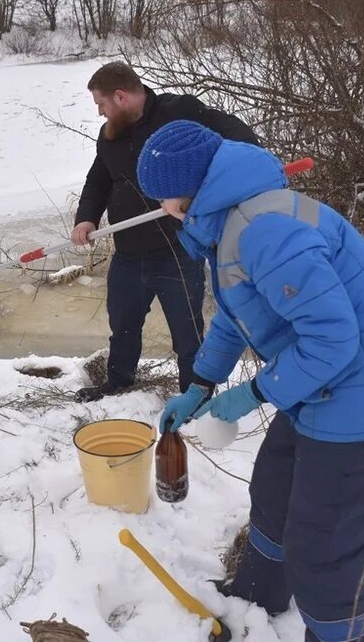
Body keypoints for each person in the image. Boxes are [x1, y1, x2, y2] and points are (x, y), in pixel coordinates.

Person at [136, 120, 364, 641]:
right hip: (319, 390)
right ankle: (260, 594)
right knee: (273, 489)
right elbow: (236, 312)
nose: (162, 209)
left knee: (323, 553)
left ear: (187, 193)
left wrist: (254, 393)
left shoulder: (264, 231)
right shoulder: (232, 223)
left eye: (164, 199)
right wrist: (201, 384)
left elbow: (333, 340)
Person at [73, 62, 259, 402]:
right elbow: (98, 180)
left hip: (176, 250)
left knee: (188, 336)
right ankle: (119, 386)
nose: (100, 112)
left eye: (101, 104)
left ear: (120, 95)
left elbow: (238, 138)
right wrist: (86, 218)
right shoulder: (111, 133)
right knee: (123, 329)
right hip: (128, 253)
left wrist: (216, 188)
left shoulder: (179, 114)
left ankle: (196, 396)